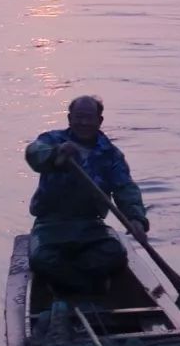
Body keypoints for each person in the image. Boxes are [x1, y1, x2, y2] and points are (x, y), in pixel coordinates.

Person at [24, 95, 149, 295]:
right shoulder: (51, 140)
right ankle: (87, 287)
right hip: (50, 225)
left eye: (89, 117)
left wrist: (136, 219)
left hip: (91, 226)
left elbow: (125, 188)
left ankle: (68, 286)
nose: (83, 122)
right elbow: (33, 153)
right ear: (69, 118)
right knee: (42, 259)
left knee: (115, 254)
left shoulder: (111, 155)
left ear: (99, 121)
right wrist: (56, 155)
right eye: (78, 117)